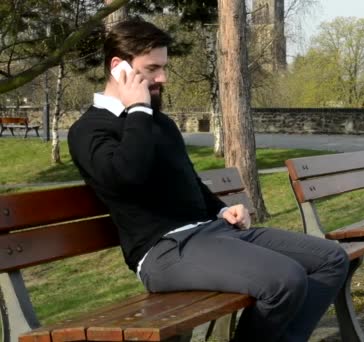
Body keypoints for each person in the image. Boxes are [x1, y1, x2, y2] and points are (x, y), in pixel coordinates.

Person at [68, 18, 349, 342]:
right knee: (285, 280)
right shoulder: (89, 130)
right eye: (152, 68)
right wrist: (138, 111)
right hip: (164, 252)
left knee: (332, 259)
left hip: (212, 233)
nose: (163, 78)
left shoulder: (156, 122)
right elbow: (127, 177)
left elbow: (187, 179)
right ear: (119, 67)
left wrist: (219, 209)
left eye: (164, 67)